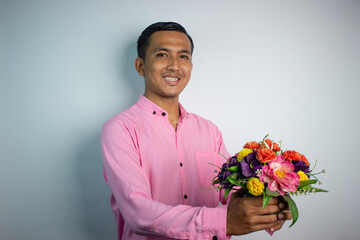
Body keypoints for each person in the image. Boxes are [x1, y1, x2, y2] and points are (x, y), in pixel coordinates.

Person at [101, 22, 292, 240]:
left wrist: (267, 206)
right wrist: (224, 221)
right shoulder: (120, 129)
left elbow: (230, 193)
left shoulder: (209, 130)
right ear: (140, 66)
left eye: (183, 56)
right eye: (162, 54)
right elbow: (138, 212)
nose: (174, 65)